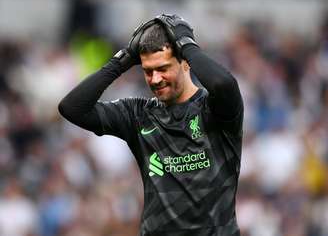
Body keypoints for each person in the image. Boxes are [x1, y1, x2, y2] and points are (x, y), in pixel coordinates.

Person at [58, 14, 244, 236]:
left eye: (163, 68)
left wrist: (187, 45)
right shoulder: (138, 114)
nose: (155, 79)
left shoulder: (215, 109)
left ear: (185, 63)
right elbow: (72, 108)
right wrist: (122, 60)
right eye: (148, 71)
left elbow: (224, 84)